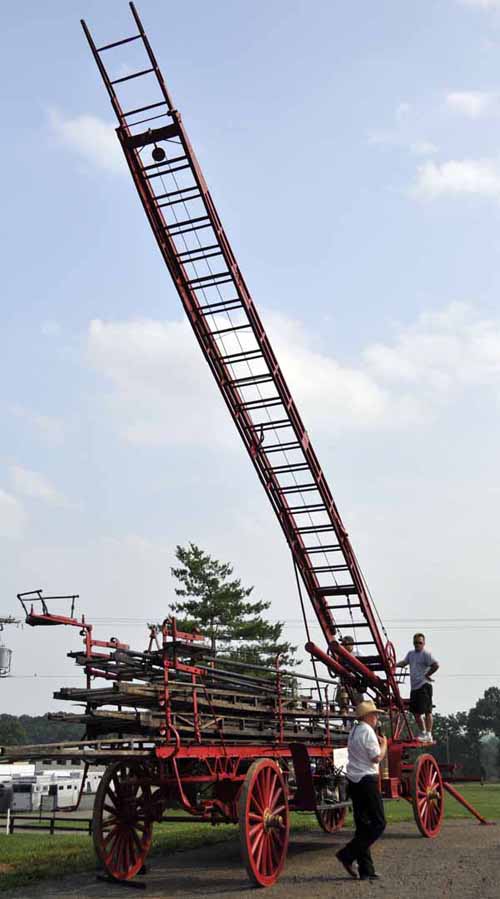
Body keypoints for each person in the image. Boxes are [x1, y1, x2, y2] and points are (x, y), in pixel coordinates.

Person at [336, 699, 387, 881]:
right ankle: (347, 854)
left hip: (354, 781)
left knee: (363, 826)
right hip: (367, 780)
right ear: (368, 716)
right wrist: (384, 745)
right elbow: (376, 758)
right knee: (379, 823)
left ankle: (366, 869)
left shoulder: (354, 731)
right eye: (374, 714)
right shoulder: (368, 732)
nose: (376, 718)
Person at [396, 633, 439, 742]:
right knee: (415, 712)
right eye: (415, 643)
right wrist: (393, 664)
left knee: (427, 711)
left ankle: (429, 734)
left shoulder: (426, 654)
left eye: (420, 643)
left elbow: (436, 665)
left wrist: (428, 675)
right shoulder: (411, 654)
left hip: (424, 685)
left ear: (423, 643)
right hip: (414, 687)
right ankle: (423, 732)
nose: (417, 645)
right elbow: (404, 663)